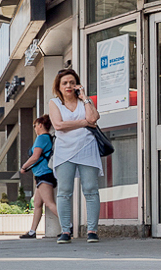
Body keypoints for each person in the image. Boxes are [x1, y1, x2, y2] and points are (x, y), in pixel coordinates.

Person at [48, 68, 101, 244]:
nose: (69, 86)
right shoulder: (54, 103)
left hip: (87, 149)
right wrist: (84, 122)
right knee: (64, 192)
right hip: (65, 152)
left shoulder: (85, 102)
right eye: (65, 83)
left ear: (77, 84)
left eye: (72, 82)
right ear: (59, 86)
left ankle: (92, 230)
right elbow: (58, 125)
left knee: (91, 190)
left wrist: (85, 98)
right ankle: (65, 231)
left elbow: (93, 118)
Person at [18, 115, 57, 240]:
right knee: (37, 203)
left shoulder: (41, 138)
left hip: (44, 174)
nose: (34, 128)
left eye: (35, 126)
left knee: (49, 203)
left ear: (40, 124)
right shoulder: (47, 138)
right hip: (42, 174)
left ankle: (69, 226)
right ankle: (32, 231)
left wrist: (24, 167)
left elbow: (35, 156)